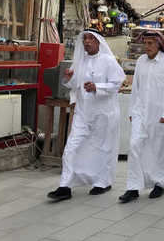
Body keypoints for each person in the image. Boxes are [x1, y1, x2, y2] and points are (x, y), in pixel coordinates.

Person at [47, 29, 125, 202]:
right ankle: (65, 186)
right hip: (83, 113)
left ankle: (103, 182)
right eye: (85, 39)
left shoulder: (108, 61)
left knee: (103, 147)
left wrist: (97, 87)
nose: (87, 42)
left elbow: (118, 82)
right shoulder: (80, 61)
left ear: (98, 41)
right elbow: (74, 85)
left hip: (104, 113)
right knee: (71, 147)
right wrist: (68, 78)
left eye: (91, 38)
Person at [119, 32, 164, 203]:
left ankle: (159, 183)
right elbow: (136, 87)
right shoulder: (141, 61)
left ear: (159, 44)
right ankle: (133, 187)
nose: (147, 46)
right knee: (134, 145)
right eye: (145, 43)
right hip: (140, 112)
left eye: (151, 43)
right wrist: (132, 111)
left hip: (160, 114)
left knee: (159, 149)